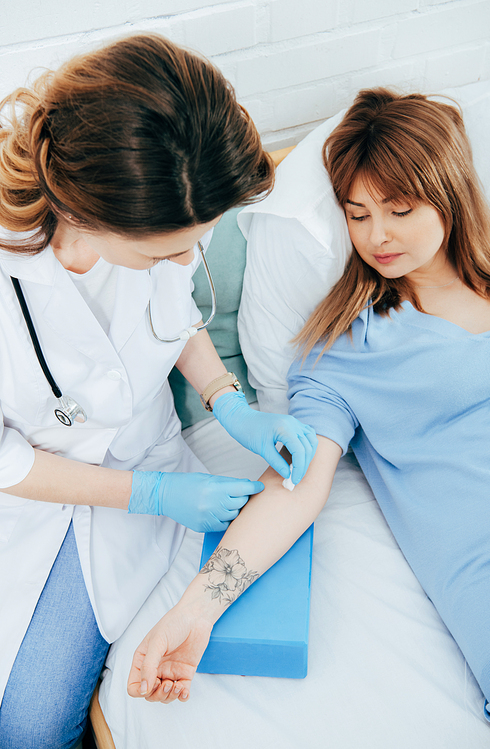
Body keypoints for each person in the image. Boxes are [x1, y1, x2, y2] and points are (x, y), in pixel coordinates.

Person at [127, 87, 490, 726]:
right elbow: (295, 485)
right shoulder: (350, 348)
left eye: (399, 209)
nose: (377, 236)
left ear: (452, 194)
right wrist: (196, 609)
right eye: (357, 215)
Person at [0, 34, 318, 749]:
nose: (184, 259)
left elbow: (172, 321)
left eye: (193, 243)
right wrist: (148, 493)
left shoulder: (165, 211)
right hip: (28, 498)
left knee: (28, 728)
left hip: (136, 475)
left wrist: (227, 399)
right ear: (85, 211)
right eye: (164, 251)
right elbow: (8, 461)